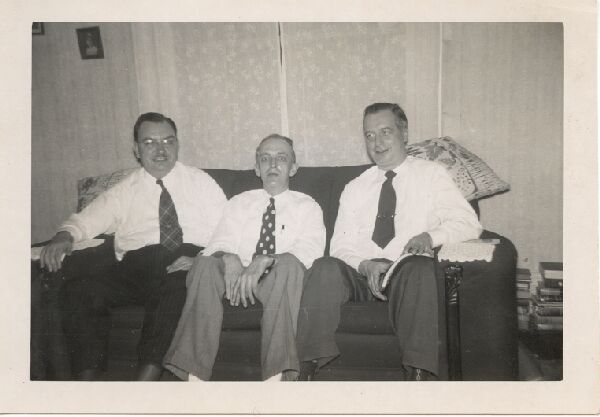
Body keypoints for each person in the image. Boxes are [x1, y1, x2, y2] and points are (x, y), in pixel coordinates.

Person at [295, 103, 482, 381]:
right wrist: (364, 265)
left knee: (418, 267)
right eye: (369, 135)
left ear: (404, 133)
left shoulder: (431, 174)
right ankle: (306, 370)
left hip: (406, 272)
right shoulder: (355, 187)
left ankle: (419, 375)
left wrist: (429, 236)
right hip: (362, 275)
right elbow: (340, 247)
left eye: (385, 132)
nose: (377, 142)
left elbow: (469, 223)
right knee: (324, 267)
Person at [39, 112, 227, 381]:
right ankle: (86, 385)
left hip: (184, 263)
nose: (160, 150)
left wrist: (202, 258)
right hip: (136, 268)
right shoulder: (125, 189)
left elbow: (228, 229)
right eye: (150, 142)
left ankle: (144, 385)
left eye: (168, 141)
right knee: (80, 289)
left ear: (177, 145)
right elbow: (87, 220)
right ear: (136, 150)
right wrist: (64, 235)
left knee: (178, 282)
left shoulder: (201, 182)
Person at [163, 134, 326, 382]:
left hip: (278, 277)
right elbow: (220, 240)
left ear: (293, 168)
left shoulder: (307, 205)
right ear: (257, 168)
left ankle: (276, 377)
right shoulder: (240, 202)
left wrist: (267, 259)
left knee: (289, 266)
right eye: (265, 159)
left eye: (281, 158)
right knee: (204, 263)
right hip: (236, 278)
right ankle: (193, 375)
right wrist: (229, 258)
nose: (273, 165)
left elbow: (311, 249)